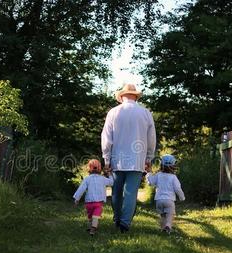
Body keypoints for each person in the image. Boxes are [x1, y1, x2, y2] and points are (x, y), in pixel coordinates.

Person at [101, 83, 156, 233]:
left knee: (116, 191)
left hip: (117, 158)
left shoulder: (113, 112)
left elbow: (106, 138)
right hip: (137, 158)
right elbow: (151, 138)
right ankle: (125, 223)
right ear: (136, 96)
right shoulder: (145, 113)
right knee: (131, 192)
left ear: (121, 96)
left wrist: (106, 159)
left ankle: (117, 218)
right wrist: (149, 157)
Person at [146, 154, 185, 234]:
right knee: (170, 215)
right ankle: (168, 226)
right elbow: (177, 188)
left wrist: (148, 173)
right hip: (169, 200)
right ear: (173, 166)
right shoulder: (173, 177)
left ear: (161, 165)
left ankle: (163, 228)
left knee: (163, 215)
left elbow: (150, 182)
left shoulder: (158, 175)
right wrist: (182, 197)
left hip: (159, 200)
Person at [73, 159, 114, 236]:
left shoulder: (87, 179)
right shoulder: (102, 179)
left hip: (89, 202)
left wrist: (77, 199)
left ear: (89, 169)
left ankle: (90, 226)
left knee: (90, 215)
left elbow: (81, 189)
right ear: (99, 168)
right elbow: (111, 183)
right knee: (96, 216)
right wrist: (110, 174)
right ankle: (93, 229)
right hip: (98, 202)